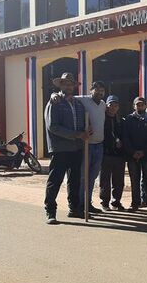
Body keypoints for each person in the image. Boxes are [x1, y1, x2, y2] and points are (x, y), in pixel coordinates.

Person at [51, 81, 107, 214]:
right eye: (97, 90)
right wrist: (53, 94)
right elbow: (64, 96)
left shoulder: (103, 104)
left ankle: (88, 203)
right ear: (91, 90)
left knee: (92, 178)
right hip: (86, 145)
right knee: (82, 177)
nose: (99, 93)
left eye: (102, 91)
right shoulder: (83, 100)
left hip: (99, 146)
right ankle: (80, 205)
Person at [43, 72, 89, 224]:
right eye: (65, 83)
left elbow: (84, 122)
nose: (68, 86)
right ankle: (50, 211)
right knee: (55, 180)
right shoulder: (55, 103)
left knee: (74, 180)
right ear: (60, 85)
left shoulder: (78, 105)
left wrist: (86, 132)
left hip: (77, 148)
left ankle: (74, 208)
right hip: (60, 149)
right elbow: (53, 127)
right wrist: (76, 134)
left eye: (71, 83)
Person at [123, 96, 147, 212]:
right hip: (132, 156)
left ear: (145, 106)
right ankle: (135, 203)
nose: (140, 106)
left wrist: (143, 151)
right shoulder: (128, 119)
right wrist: (133, 152)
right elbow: (126, 138)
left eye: (142, 104)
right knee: (134, 180)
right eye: (137, 104)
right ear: (134, 106)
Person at [99, 95, 126, 211]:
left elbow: (125, 136)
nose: (113, 108)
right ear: (107, 106)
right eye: (111, 105)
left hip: (119, 155)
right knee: (105, 180)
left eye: (115, 105)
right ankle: (105, 202)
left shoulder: (121, 120)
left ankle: (116, 202)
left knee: (119, 181)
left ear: (118, 107)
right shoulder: (101, 119)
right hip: (105, 154)